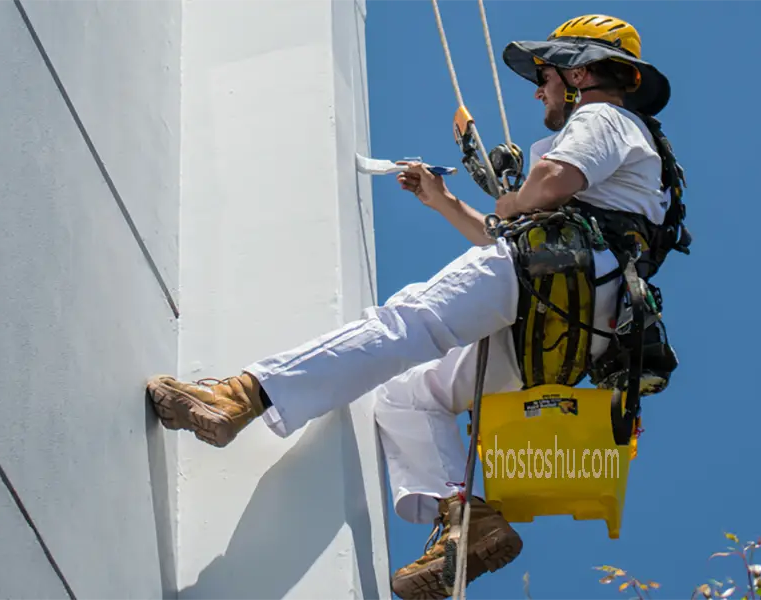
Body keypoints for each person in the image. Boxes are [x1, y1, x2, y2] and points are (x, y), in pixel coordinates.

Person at [146, 14, 689, 599]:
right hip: (582, 315)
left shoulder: (602, 116)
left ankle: (241, 396)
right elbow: (506, 237)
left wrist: (509, 198)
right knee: (407, 394)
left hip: (561, 270)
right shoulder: (634, 165)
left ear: (579, 72)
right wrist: (444, 201)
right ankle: (466, 521)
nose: (538, 90)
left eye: (546, 76)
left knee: (406, 322)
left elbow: (551, 183)